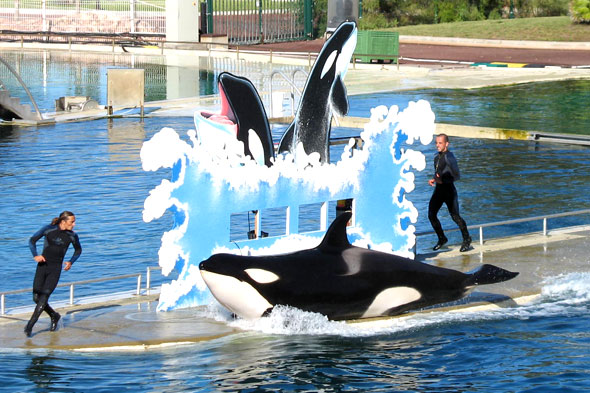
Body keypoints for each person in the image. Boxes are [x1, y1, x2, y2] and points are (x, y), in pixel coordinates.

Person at [25, 211, 82, 337]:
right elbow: (31, 241)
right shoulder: (48, 229)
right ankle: (54, 315)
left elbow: (78, 250)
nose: (74, 224)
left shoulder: (72, 236)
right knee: (36, 298)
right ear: (63, 221)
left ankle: (30, 326)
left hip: (55, 269)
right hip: (42, 266)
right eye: (72, 222)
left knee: (44, 297)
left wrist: (71, 262)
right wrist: (35, 255)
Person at [428, 134, 472, 252]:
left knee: (455, 216)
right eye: (436, 143)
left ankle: (467, 239)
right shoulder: (436, 157)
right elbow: (439, 172)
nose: (437, 145)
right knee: (431, 215)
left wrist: (441, 180)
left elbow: (457, 175)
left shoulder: (450, 157)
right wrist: (434, 178)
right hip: (439, 190)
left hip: (449, 191)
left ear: (447, 144)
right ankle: (442, 238)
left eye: (440, 143)